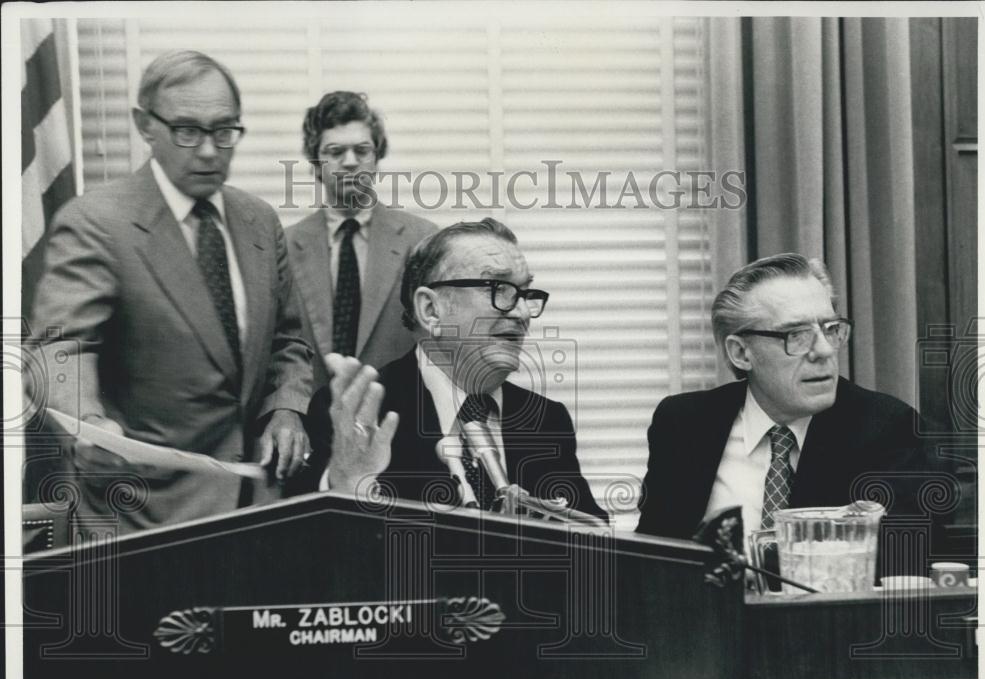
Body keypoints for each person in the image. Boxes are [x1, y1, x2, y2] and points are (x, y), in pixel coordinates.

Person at [28, 50, 313, 532]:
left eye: (224, 131)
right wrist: (88, 421)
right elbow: (61, 345)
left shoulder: (260, 221)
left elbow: (290, 341)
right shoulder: (97, 222)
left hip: (258, 505)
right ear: (145, 125)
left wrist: (287, 409)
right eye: (188, 130)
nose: (208, 150)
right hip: (143, 512)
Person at [636, 253, 951, 576]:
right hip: (707, 622)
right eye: (796, 335)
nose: (825, 351)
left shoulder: (888, 427)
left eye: (831, 329)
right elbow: (650, 559)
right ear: (742, 353)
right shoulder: (683, 423)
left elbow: (897, 563)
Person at [306, 218, 606, 522]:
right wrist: (344, 487)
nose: (522, 312)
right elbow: (308, 556)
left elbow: (598, 548)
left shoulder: (546, 421)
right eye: (499, 289)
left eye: (525, 293)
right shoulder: (358, 416)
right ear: (431, 311)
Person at [285, 91, 437, 391]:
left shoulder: (423, 240)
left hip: (397, 423)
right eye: (335, 152)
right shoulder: (284, 246)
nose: (350, 162)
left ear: (376, 159)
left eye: (362, 150)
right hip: (310, 425)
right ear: (316, 164)